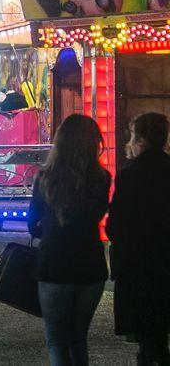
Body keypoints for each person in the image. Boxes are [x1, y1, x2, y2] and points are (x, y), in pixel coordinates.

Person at [27, 114, 111, 366]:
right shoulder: (102, 179)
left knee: (56, 340)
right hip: (89, 264)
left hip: (54, 263)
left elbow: (33, 224)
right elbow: (98, 214)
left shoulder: (45, 178)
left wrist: (49, 232)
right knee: (78, 338)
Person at [107, 111, 170, 365]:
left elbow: (116, 225)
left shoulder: (129, 175)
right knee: (159, 334)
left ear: (141, 140)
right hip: (166, 260)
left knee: (148, 337)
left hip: (138, 266)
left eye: (132, 136)